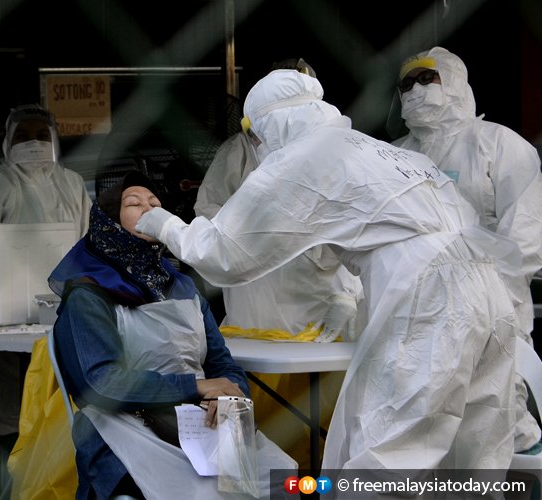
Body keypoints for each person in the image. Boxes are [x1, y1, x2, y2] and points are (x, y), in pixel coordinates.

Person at [135, 69, 521, 471]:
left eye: (257, 133)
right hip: (487, 286)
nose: (258, 144)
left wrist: (163, 223)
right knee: (475, 449)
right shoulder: (380, 149)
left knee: (389, 449)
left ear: (272, 123)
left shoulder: (302, 157)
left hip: (426, 296)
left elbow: (225, 253)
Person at [49, 171, 297, 499]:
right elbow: (102, 383)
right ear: (108, 221)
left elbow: (221, 362)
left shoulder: (182, 286)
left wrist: (230, 395)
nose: (148, 209)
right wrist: (196, 386)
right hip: (124, 429)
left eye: (155, 203)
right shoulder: (89, 294)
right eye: (134, 204)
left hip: (199, 426)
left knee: (284, 481)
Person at [393, 46, 542, 453]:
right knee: (427, 421)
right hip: (419, 305)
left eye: (428, 78)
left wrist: (494, 292)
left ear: (455, 81)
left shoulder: (497, 144)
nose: (416, 90)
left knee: (498, 412)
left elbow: (525, 231)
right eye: (407, 84)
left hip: (494, 300)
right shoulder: (397, 155)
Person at [0, 104, 92, 470]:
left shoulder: (72, 183)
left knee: (61, 414)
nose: (33, 143)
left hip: (59, 314)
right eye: (22, 136)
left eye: (41, 136)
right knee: (9, 417)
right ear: (6, 142)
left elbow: (85, 243)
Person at [195, 57, 361, 342]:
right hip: (256, 292)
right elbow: (208, 209)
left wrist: (348, 293)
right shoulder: (239, 151)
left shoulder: (336, 150)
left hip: (319, 294)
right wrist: (248, 231)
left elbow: (358, 225)